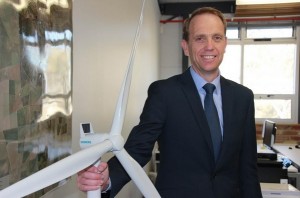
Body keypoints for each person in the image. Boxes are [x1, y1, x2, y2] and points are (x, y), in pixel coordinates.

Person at [77, 7, 263, 198]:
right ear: (185, 46)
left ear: (225, 44)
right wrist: (108, 179)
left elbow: (248, 169)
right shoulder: (165, 93)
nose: (209, 46)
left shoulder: (243, 98)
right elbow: (138, 148)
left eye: (217, 38)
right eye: (200, 38)